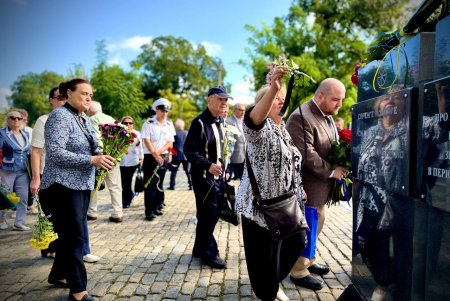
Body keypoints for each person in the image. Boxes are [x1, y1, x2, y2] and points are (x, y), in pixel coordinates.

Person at [235, 67, 307, 301]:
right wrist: (274, 87)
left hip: (285, 205)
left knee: (296, 241)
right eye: (276, 99)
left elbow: (291, 164)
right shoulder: (258, 129)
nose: (280, 102)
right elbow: (252, 121)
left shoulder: (282, 130)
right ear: (263, 104)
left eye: (283, 99)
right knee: (263, 260)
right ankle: (267, 291)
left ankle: (272, 283)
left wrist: (299, 188)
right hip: (259, 209)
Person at [40, 78, 114, 301]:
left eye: (90, 94)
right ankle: (78, 291)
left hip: (80, 185)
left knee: (69, 236)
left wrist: (102, 154)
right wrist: (91, 160)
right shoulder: (60, 116)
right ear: (68, 93)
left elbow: (91, 146)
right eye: (83, 93)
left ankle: (58, 275)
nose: (88, 98)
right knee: (75, 238)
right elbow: (54, 152)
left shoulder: (82, 118)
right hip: (62, 186)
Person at [286, 78, 347, 290]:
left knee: (316, 226)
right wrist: (332, 170)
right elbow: (306, 155)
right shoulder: (300, 117)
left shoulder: (326, 115)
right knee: (307, 229)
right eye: (335, 100)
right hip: (308, 188)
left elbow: (332, 143)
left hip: (321, 189)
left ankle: (308, 261)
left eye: (341, 100)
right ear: (320, 96)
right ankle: (298, 270)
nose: (339, 105)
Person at [184, 85, 233, 269]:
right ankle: (210, 252)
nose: (224, 102)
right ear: (209, 99)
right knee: (208, 214)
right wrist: (208, 165)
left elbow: (223, 149)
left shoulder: (221, 121)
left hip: (218, 178)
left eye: (226, 99)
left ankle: (199, 248)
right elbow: (188, 151)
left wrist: (225, 168)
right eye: (220, 98)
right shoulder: (199, 123)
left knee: (210, 214)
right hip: (204, 178)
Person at [30, 86, 65, 257]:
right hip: (47, 174)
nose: (62, 100)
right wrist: (36, 178)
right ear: (51, 100)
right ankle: (50, 247)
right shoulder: (43, 120)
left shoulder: (73, 118)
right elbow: (36, 151)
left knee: (64, 215)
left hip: (67, 175)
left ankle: (62, 248)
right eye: (58, 97)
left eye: (65, 97)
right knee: (50, 213)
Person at [86, 101, 123, 223]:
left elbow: (94, 139)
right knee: (115, 186)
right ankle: (118, 213)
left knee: (93, 185)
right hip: (113, 156)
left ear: (90, 111)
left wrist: (98, 154)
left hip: (99, 157)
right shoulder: (111, 119)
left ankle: (92, 212)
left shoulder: (91, 119)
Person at [141, 98, 175, 221]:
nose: (164, 113)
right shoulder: (149, 123)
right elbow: (146, 140)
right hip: (151, 156)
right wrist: (155, 154)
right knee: (150, 183)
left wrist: (163, 153)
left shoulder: (169, 124)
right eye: (161, 111)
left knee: (159, 182)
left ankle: (157, 206)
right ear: (156, 110)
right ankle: (149, 210)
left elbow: (170, 141)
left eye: (166, 111)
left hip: (164, 155)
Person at [0, 109, 31, 231]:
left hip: (23, 171)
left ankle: (19, 222)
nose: (16, 120)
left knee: (23, 197)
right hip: (7, 170)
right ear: (7, 120)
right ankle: (1, 219)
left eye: (19, 118)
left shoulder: (25, 134)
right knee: (5, 196)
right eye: (13, 118)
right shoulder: (2, 134)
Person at [119, 116, 143, 208]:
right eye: (125, 123)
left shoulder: (137, 134)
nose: (128, 125)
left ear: (133, 124)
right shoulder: (118, 134)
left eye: (130, 123)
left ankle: (126, 201)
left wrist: (141, 159)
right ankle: (130, 195)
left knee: (127, 182)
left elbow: (140, 148)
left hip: (133, 161)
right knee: (123, 183)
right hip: (121, 162)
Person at [168, 119, 192, 190]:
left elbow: (170, 145)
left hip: (176, 155)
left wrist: (173, 152)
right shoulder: (188, 133)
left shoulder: (174, 134)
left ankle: (172, 185)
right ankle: (191, 185)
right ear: (183, 125)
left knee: (174, 171)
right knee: (188, 170)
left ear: (176, 126)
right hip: (186, 155)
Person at [226, 103, 246, 180]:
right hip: (233, 155)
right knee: (228, 179)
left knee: (243, 180)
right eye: (240, 110)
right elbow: (229, 141)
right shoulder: (229, 121)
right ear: (234, 110)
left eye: (244, 110)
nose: (243, 112)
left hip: (244, 155)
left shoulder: (245, 121)